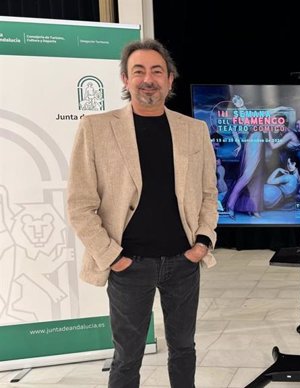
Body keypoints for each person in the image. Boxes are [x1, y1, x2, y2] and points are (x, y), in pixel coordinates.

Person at [66, 39, 218, 388]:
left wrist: (203, 241)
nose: (147, 79)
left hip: (183, 262)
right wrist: (113, 256)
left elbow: (209, 194)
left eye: (156, 71)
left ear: (170, 80)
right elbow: (79, 204)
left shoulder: (194, 130)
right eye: (138, 71)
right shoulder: (96, 128)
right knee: (127, 357)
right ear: (124, 79)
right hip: (128, 264)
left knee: (183, 350)